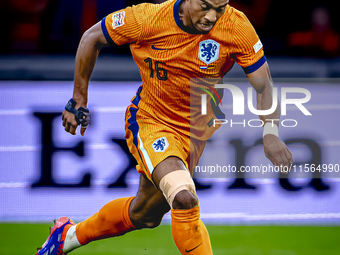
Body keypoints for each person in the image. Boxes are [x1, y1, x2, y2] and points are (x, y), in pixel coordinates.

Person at [36, 0, 293, 254]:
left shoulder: (236, 25)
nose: (212, 16)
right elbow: (91, 37)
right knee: (184, 198)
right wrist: (78, 100)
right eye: (205, 6)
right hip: (152, 120)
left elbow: (263, 85)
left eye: (220, 7)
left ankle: (67, 236)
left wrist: (271, 132)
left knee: (145, 214)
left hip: (195, 132)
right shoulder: (147, 18)